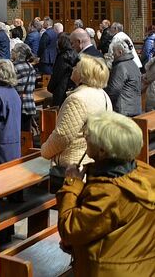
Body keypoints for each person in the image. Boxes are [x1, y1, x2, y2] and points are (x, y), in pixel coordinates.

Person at [56, 111, 155, 275]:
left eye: (89, 136)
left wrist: (72, 183)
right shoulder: (146, 172)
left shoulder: (109, 193)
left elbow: (69, 231)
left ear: (102, 150)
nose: (85, 137)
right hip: (142, 266)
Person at [42, 55, 113, 169]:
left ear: (82, 74)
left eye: (76, 66)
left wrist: (44, 151)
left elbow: (62, 136)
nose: (73, 68)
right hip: (91, 160)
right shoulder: (103, 94)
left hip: (74, 164)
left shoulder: (77, 99)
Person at [106, 37, 142, 116]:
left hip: (123, 110)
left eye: (114, 52)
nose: (113, 55)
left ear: (120, 52)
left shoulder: (120, 66)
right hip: (134, 108)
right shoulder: (133, 63)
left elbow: (113, 91)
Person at [11, 42, 39, 132]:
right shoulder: (31, 67)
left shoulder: (14, 67)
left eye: (13, 50)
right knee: (25, 134)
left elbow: (10, 85)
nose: (11, 52)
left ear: (18, 53)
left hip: (17, 105)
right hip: (29, 104)